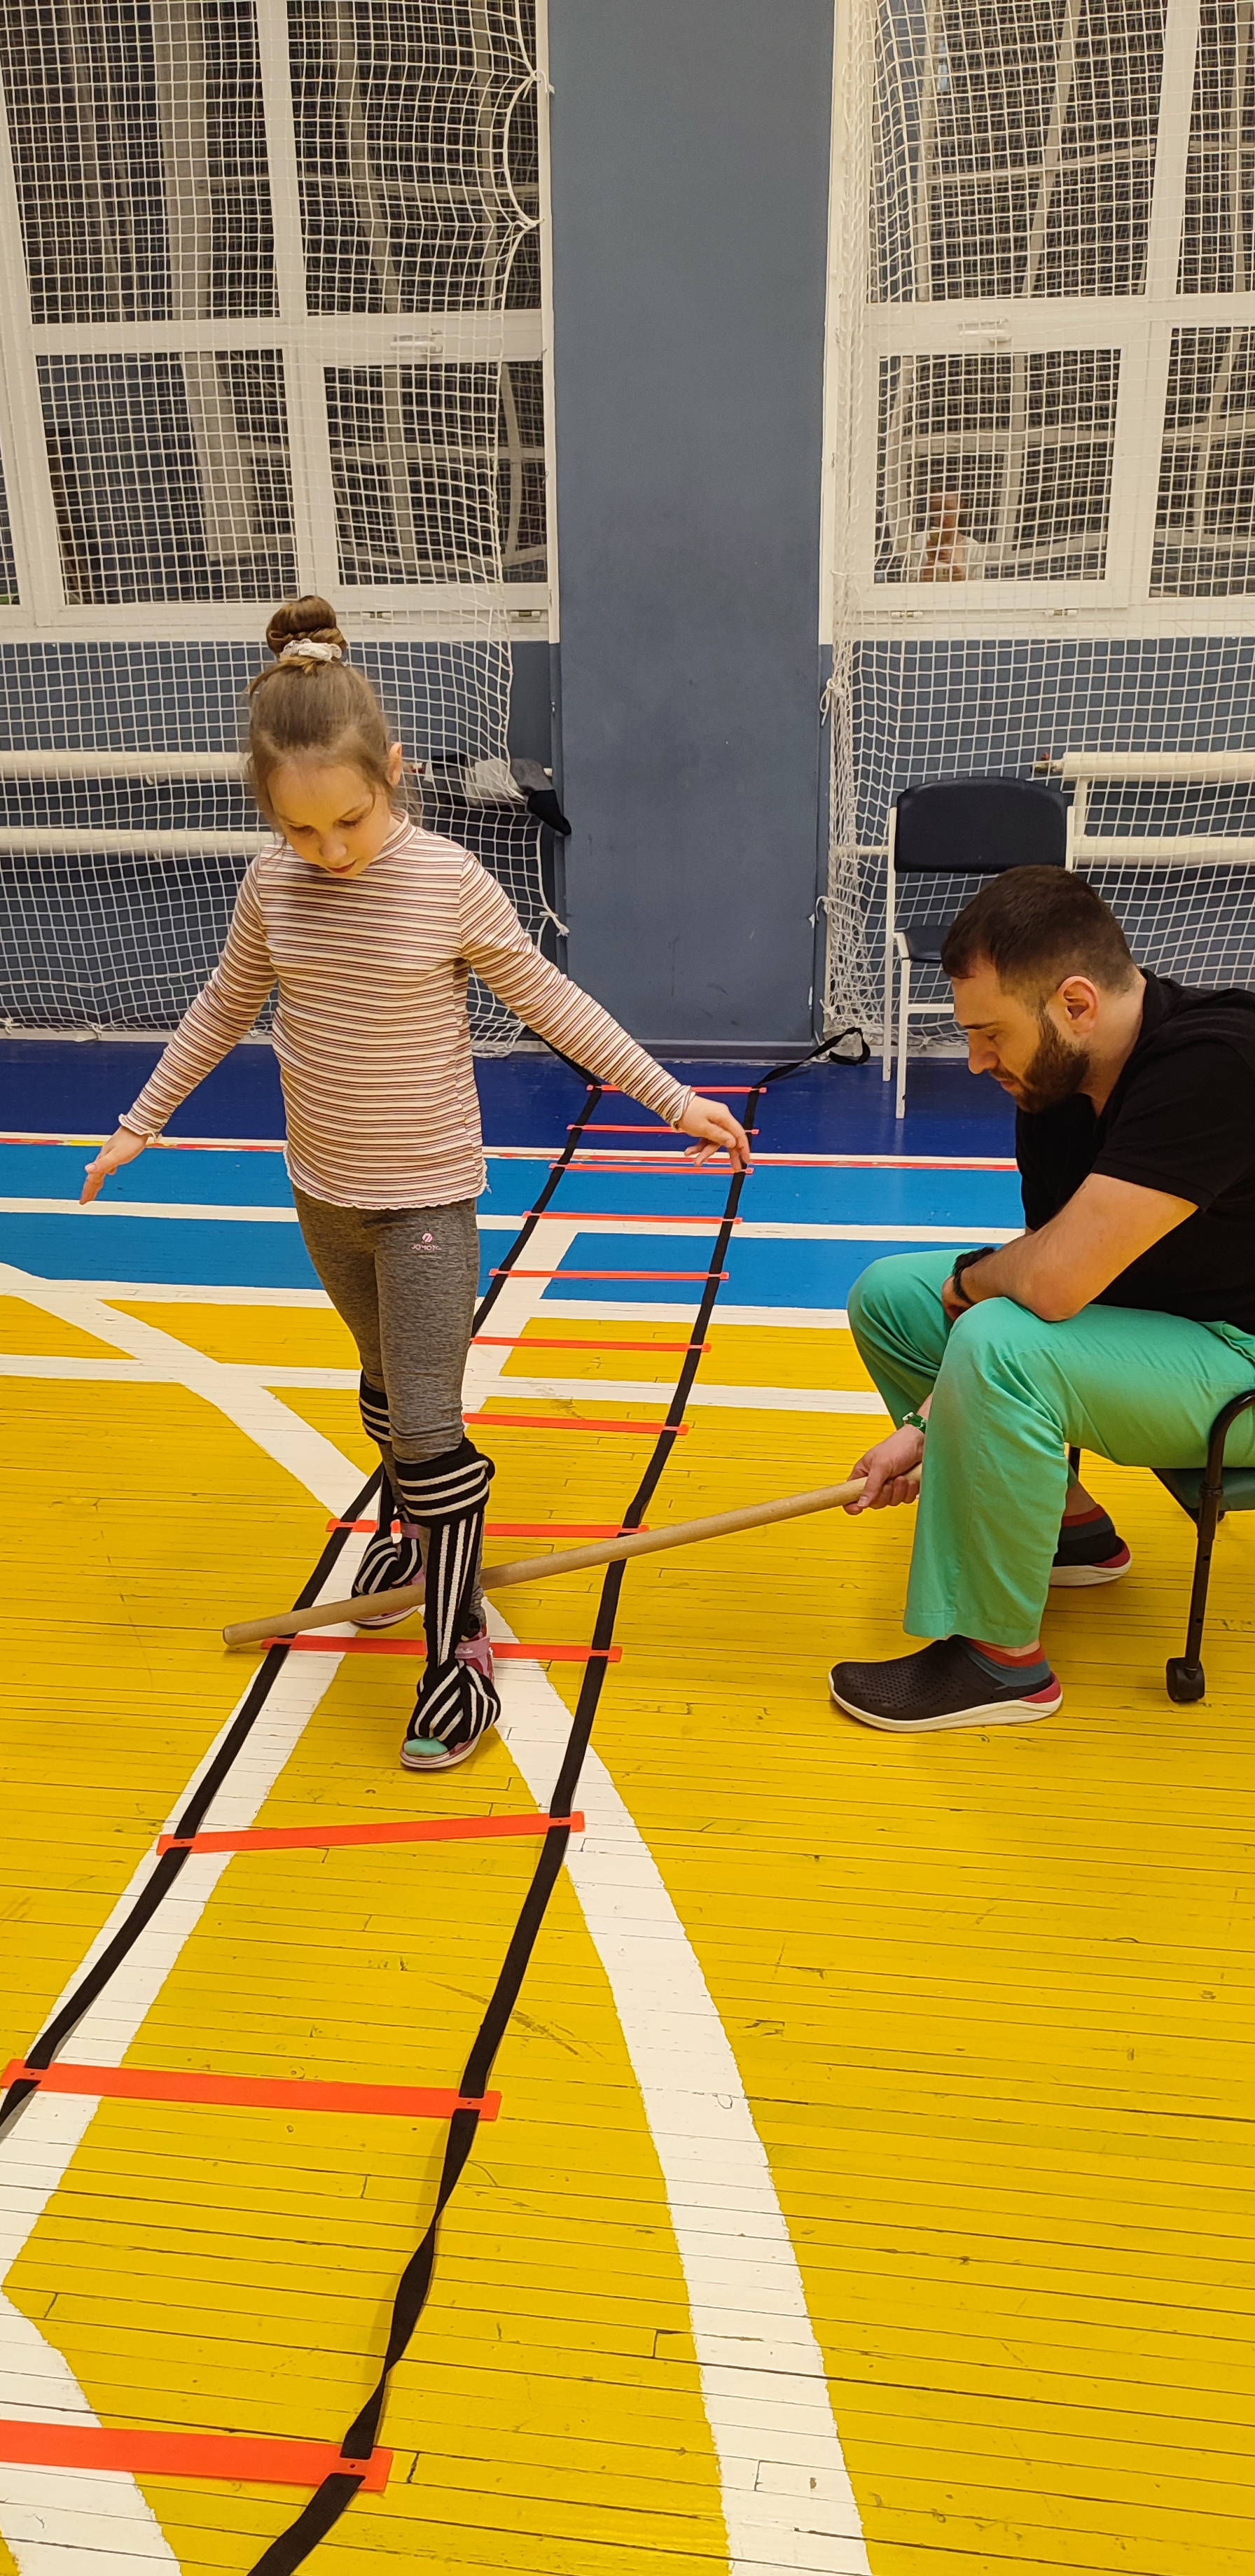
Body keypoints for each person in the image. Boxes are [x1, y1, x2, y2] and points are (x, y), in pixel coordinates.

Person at [82, 595, 748, 1773]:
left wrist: (673, 1100)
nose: (332, 852)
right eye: (301, 831)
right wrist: (142, 1122)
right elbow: (223, 1008)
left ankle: (460, 1658)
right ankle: (408, 1530)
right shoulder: (272, 888)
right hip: (324, 1194)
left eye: (350, 819)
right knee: (386, 1392)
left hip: (427, 1197)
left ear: (393, 773)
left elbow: (552, 1003)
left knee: (433, 1435)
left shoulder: (448, 881)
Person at [829, 865, 1255, 1732]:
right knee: (894, 1297)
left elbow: (1049, 1285)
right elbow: (1043, 1276)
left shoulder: (1218, 1063)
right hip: (1160, 1330)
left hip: (1239, 1358)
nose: (977, 1060)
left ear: (1076, 1003)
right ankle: (1070, 1531)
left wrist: (971, 1282)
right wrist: (925, 1426)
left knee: (993, 1334)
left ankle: (1001, 1662)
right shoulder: (1056, 1082)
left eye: (991, 1034)